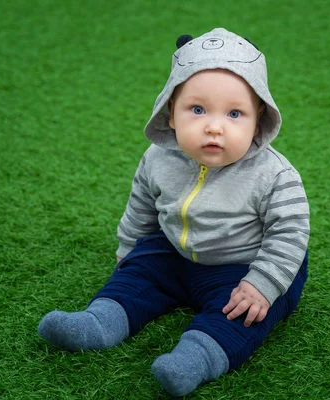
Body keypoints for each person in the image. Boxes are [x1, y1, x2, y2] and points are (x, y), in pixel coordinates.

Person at [38, 27, 310, 397]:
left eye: (234, 113)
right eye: (197, 110)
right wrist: (128, 247)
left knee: (245, 313)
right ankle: (99, 322)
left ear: (258, 118)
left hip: (243, 264)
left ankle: (196, 356)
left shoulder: (273, 175)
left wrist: (262, 283)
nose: (214, 127)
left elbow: (290, 232)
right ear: (170, 113)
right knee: (138, 273)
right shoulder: (158, 158)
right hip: (173, 251)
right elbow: (142, 204)